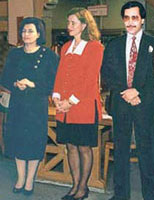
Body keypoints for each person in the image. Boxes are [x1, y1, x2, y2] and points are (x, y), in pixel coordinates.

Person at [101, 1, 154, 200]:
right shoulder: (114, 45)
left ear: (142, 19)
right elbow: (106, 72)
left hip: (145, 105)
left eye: (135, 18)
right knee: (121, 152)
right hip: (121, 104)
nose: (130, 22)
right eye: (127, 18)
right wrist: (126, 91)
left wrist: (137, 93)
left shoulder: (152, 44)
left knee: (147, 153)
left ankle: (150, 194)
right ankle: (121, 195)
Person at [0, 17, 59, 196]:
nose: (26, 34)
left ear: (39, 33)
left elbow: (53, 83)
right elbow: (4, 79)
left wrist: (33, 84)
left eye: (30, 31)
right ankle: (20, 177)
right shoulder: (14, 54)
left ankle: (30, 180)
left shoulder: (49, 55)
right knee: (18, 141)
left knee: (34, 142)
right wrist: (16, 83)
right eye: (24, 31)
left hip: (36, 106)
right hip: (18, 105)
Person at [52, 7, 103, 200]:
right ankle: (74, 185)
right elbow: (59, 74)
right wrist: (56, 96)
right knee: (70, 146)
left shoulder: (95, 47)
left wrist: (70, 101)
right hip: (64, 108)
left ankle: (83, 187)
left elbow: (89, 79)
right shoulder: (66, 47)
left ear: (84, 25)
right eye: (68, 22)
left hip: (83, 106)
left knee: (83, 147)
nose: (69, 26)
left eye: (73, 23)